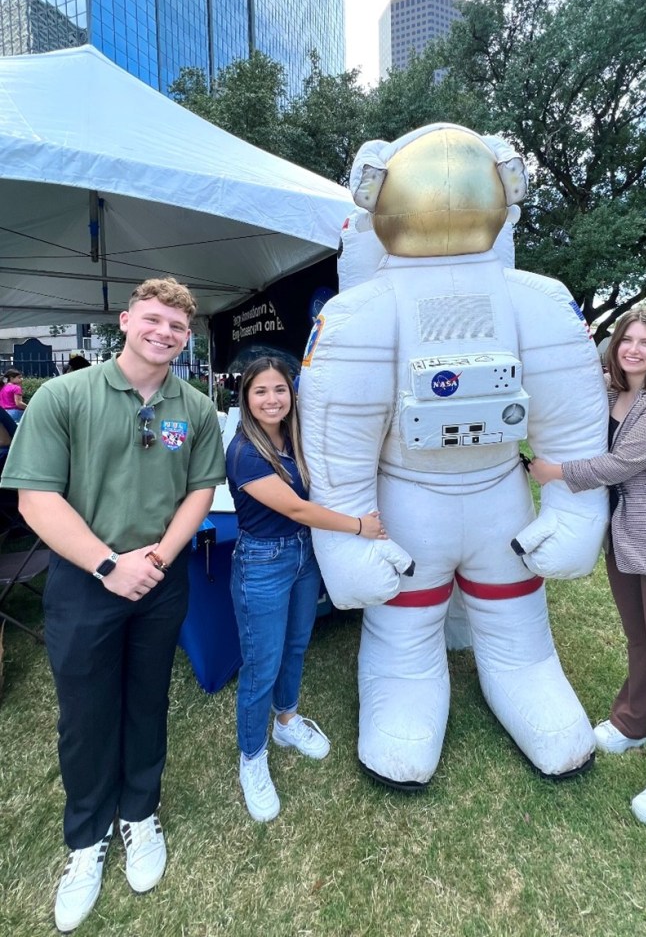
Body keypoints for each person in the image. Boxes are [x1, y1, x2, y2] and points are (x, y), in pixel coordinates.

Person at [0, 277, 226, 932]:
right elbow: (35, 499)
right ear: (125, 321)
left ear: (187, 337)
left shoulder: (196, 407)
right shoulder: (66, 395)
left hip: (159, 580)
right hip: (84, 578)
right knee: (86, 713)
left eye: (178, 327)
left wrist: (152, 561)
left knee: (147, 698)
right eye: (153, 319)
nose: (164, 333)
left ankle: (139, 811)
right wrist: (107, 563)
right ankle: (86, 837)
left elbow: (199, 491)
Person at [529, 307, 646, 833]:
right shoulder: (614, 391)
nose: (633, 349)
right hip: (627, 544)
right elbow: (574, 383)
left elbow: (620, 464)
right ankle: (634, 723)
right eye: (625, 340)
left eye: (645, 341)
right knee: (639, 644)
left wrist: (554, 473)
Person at [226, 356, 387, 822]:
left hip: (303, 557)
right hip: (263, 562)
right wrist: (359, 526)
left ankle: (287, 721)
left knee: (296, 646)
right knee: (261, 666)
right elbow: (298, 509)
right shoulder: (245, 452)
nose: (272, 399)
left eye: (280, 389)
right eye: (261, 391)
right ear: (246, 398)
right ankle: (252, 759)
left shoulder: (296, 440)